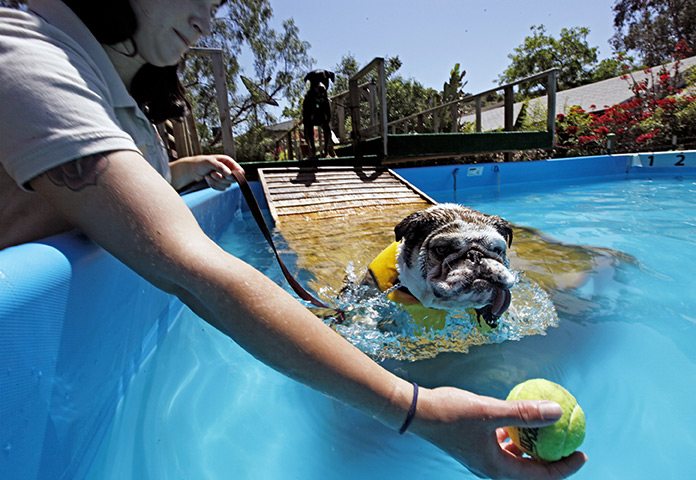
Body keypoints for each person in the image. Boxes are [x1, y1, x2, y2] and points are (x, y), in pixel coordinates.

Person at [0, 1, 586, 478]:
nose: (208, 17)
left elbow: (95, 197)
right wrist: (420, 410)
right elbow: (191, 267)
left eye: (219, 3)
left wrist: (177, 172)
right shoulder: (25, 57)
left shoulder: (104, 82)